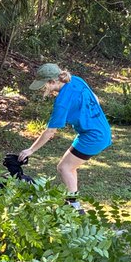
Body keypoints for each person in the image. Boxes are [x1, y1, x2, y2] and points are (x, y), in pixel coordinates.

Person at [18, 63, 111, 206]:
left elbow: (50, 132)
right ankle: (73, 203)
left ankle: (73, 206)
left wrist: (30, 150)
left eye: (44, 85)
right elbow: (95, 98)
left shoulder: (62, 102)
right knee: (69, 167)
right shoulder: (76, 80)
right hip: (101, 129)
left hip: (93, 136)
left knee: (64, 168)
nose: (43, 88)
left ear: (52, 82)